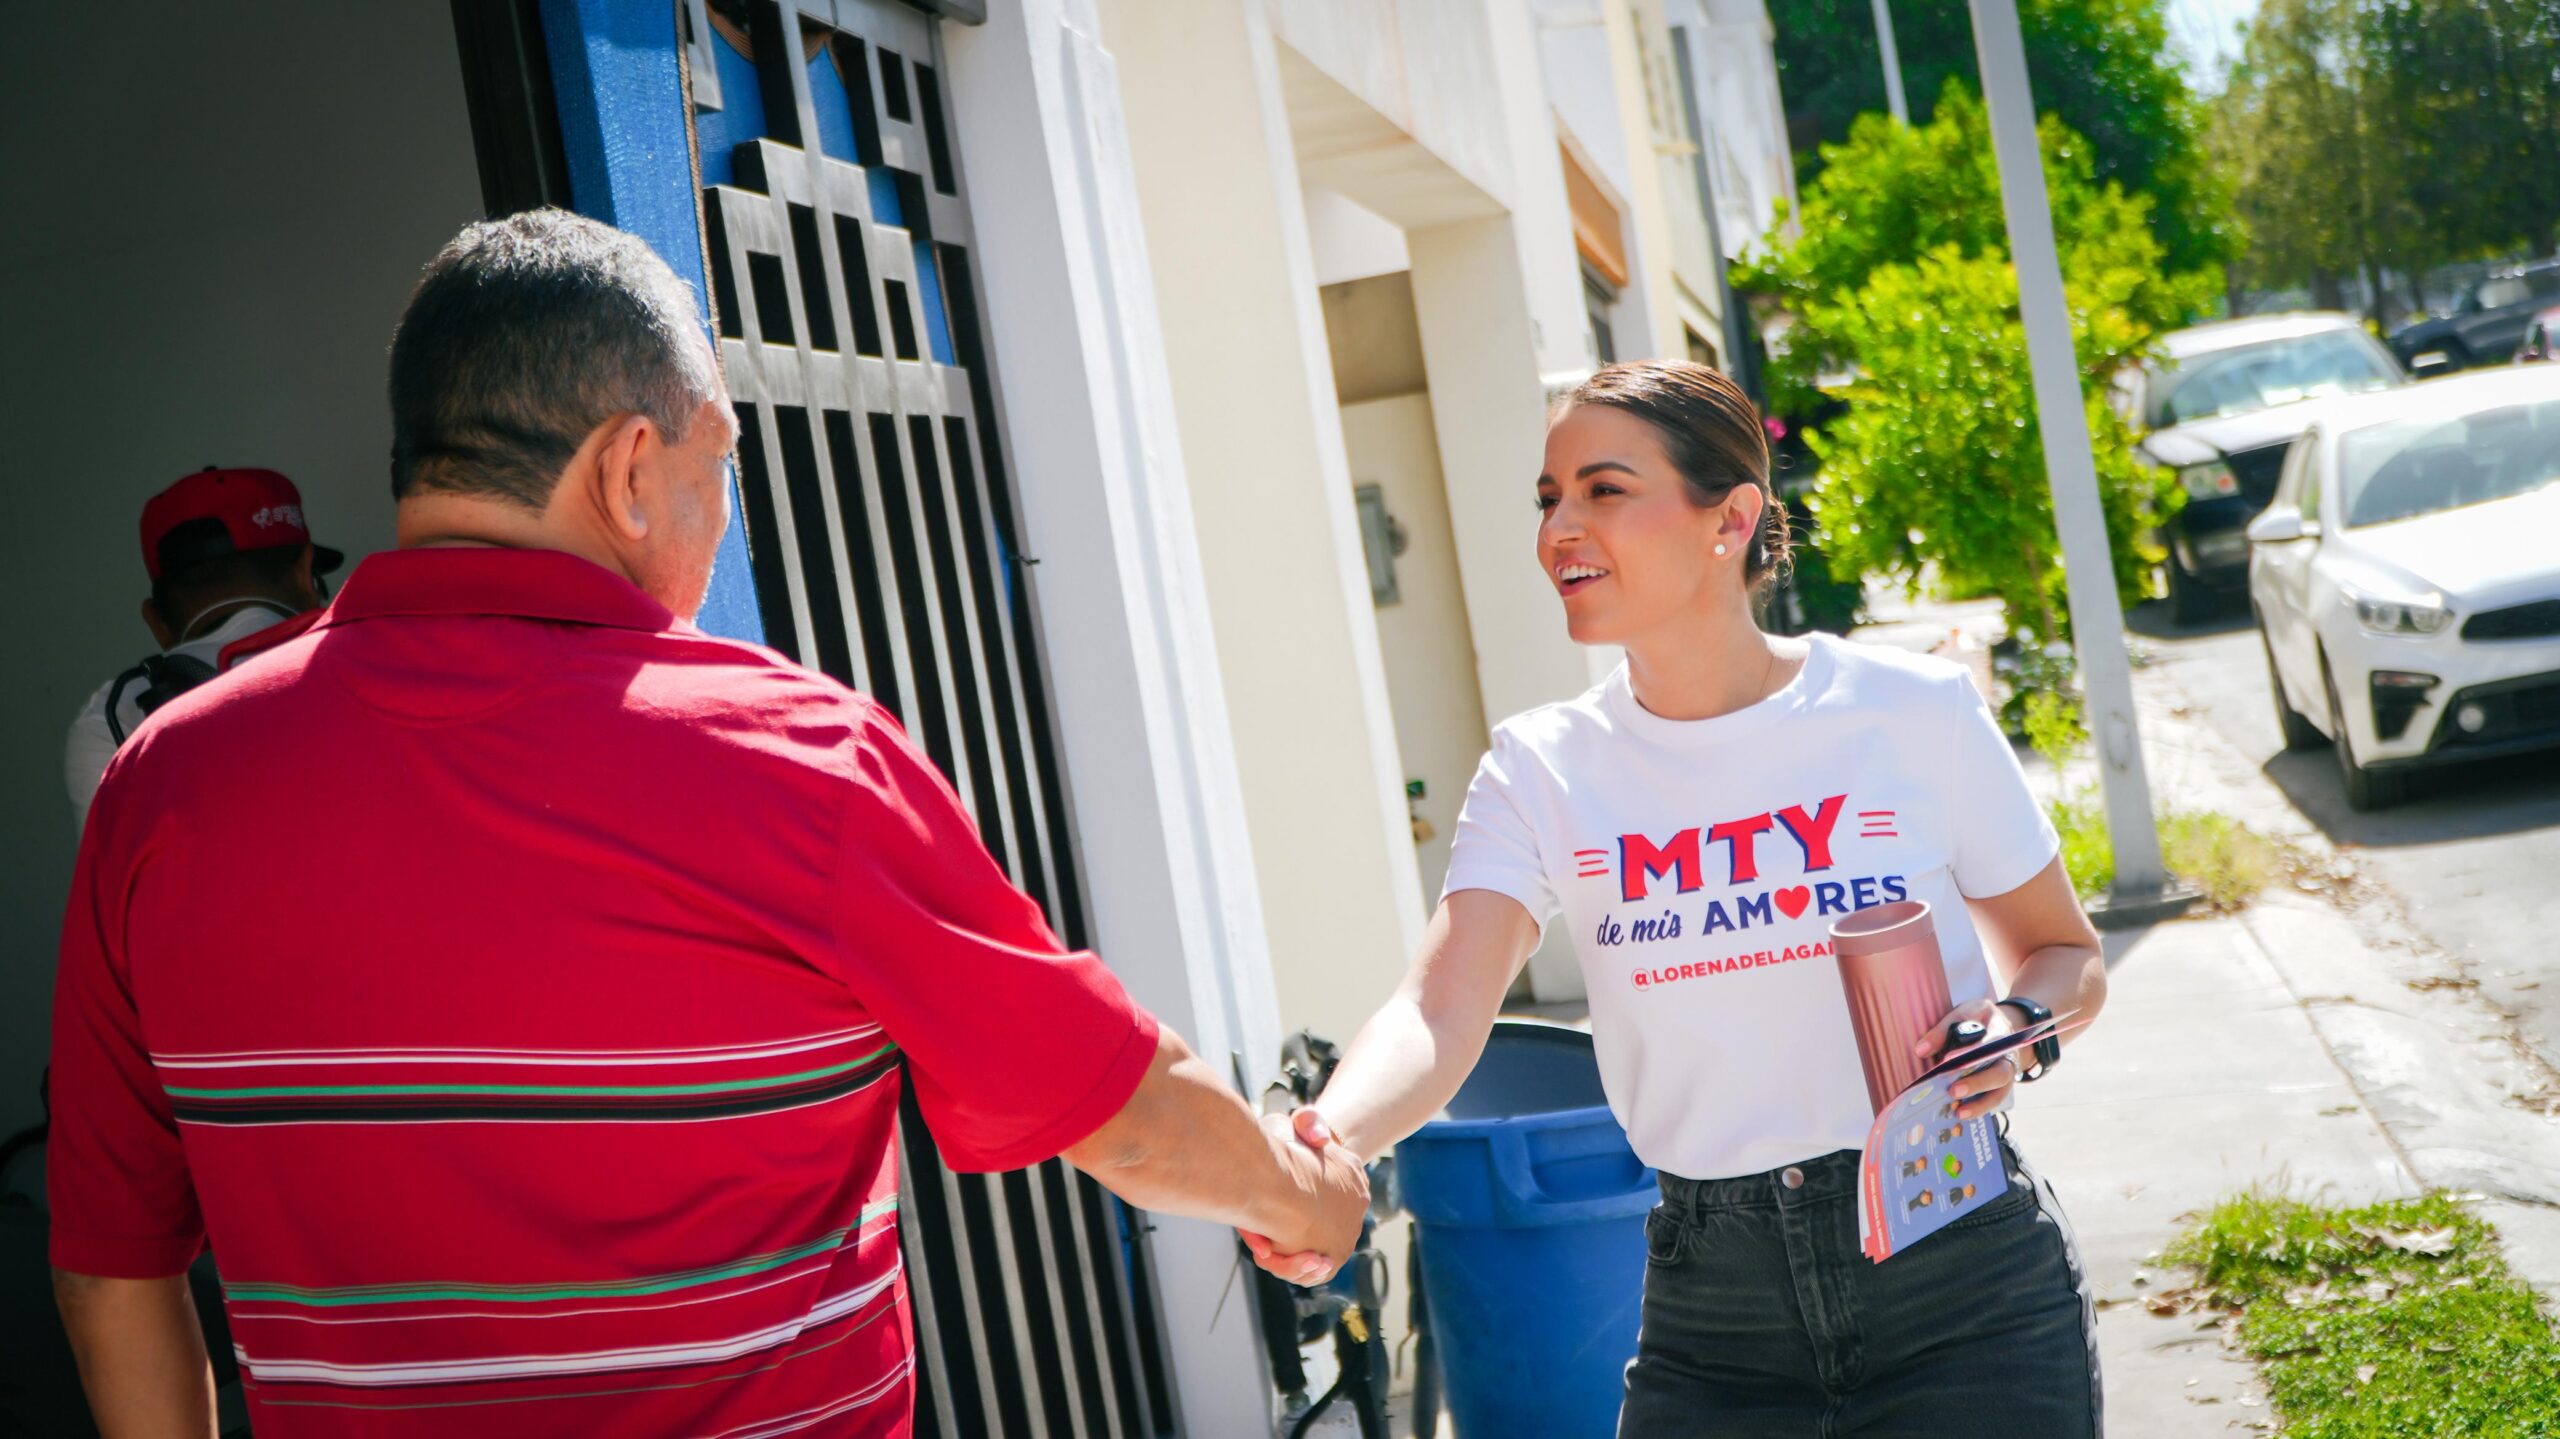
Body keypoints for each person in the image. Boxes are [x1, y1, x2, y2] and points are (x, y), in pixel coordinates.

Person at [47, 209, 1366, 1438]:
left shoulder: (159, 788)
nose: (722, 507)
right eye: (718, 460)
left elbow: (113, 1274)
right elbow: (1120, 1115)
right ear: (629, 467)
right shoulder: (790, 756)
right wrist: (1305, 1198)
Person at [1247, 360, 2108, 1435]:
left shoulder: (1908, 710)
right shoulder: (1542, 765)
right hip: (1715, 1316)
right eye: (1547, 496)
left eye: (1603, 489)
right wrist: (1325, 1138)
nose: (1559, 524)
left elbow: (2064, 954)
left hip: (1960, 1282)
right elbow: (1439, 1006)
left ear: (1731, 517)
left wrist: (2014, 1026)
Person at [63, 467, 341, 834]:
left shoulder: (115, 719)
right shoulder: (373, 654)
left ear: (156, 621)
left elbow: (117, 886)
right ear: (307, 574)